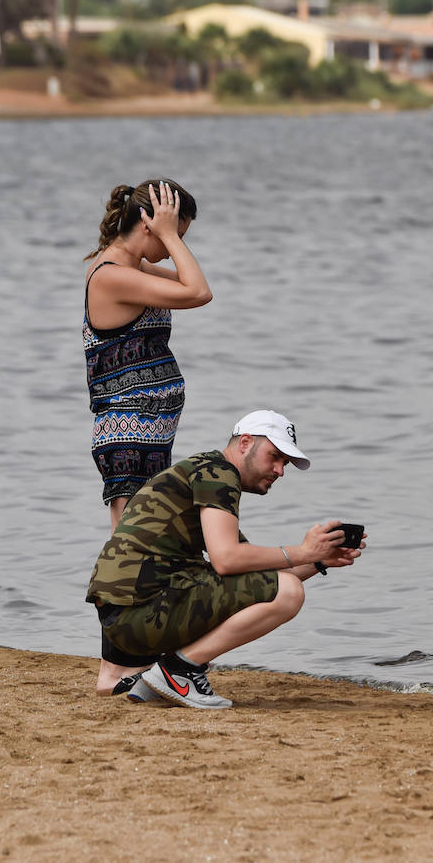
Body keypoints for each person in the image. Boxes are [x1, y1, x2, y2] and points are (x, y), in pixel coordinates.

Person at [86, 410, 366, 707]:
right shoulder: (219, 473)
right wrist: (303, 551)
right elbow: (228, 561)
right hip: (139, 613)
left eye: (285, 463)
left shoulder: (202, 470)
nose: (280, 470)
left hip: (121, 618)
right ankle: (179, 671)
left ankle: (142, 675)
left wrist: (317, 561)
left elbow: (254, 580)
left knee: (280, 587)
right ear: (245, 443)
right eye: (274, 456)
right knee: (291, 593)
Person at [83, 179, 211, 531]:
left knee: (147, 538)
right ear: (146, 224)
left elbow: (189, 282)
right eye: (175, 236)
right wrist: (168, 233)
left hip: (149, 431)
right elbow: (199, 292)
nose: (173, 248)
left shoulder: (134, 268)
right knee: (130, 540)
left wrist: (167, 234)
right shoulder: (111, 275)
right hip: (128, 433)